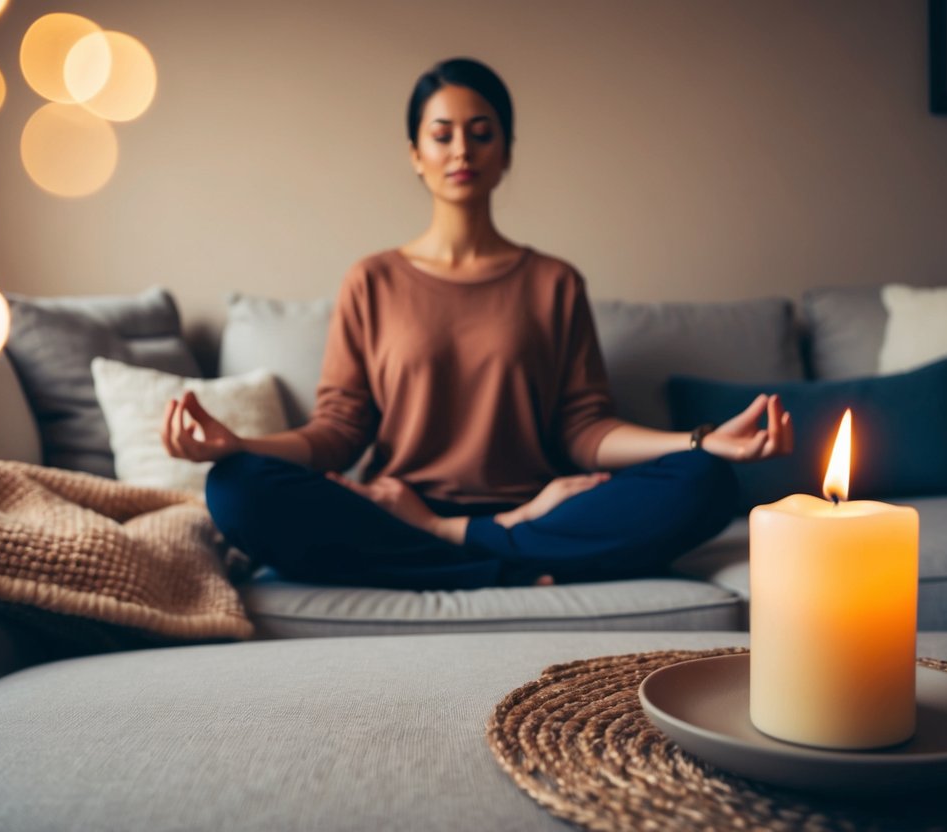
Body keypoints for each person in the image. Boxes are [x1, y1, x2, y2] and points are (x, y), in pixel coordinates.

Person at [161, 57, 793, 590]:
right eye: (442, 134)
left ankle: (454, 552)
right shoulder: (372, 280)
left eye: (481, 132)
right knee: (237, 489)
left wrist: (698, 443)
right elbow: (339, 431)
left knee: (706, 482)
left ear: (505, 153)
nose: (462, 149)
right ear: (416, 153)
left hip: (534, 510)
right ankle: (505, 562)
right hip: (395, 510)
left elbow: (585, 429)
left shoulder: (554, 283)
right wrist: (239, 445)